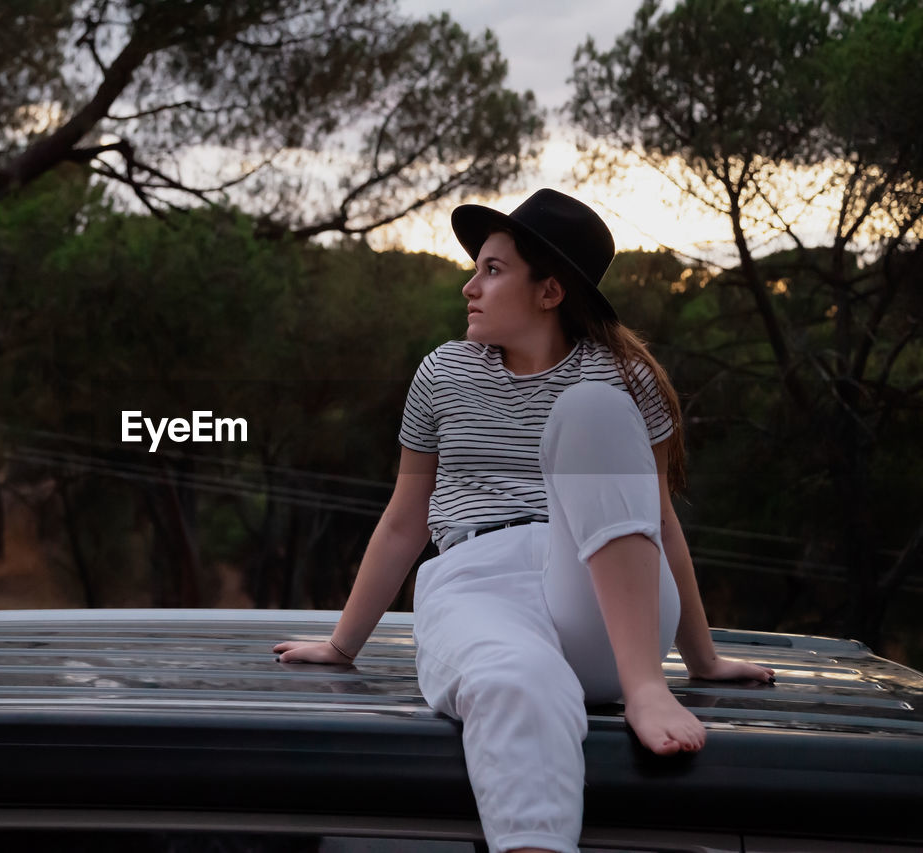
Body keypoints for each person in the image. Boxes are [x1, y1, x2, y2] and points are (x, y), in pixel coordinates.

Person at [273, 189, 776, 853]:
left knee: (590, 408)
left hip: (606, 607)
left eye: (492, 269)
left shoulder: (624, 379)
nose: (468, 285)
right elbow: (405, 521)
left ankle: (645, 689)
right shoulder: (444, 372)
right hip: (480, 585)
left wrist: (700, 658)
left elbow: (656, 523)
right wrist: (342, 644)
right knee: (514, 680)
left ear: (549, 292)